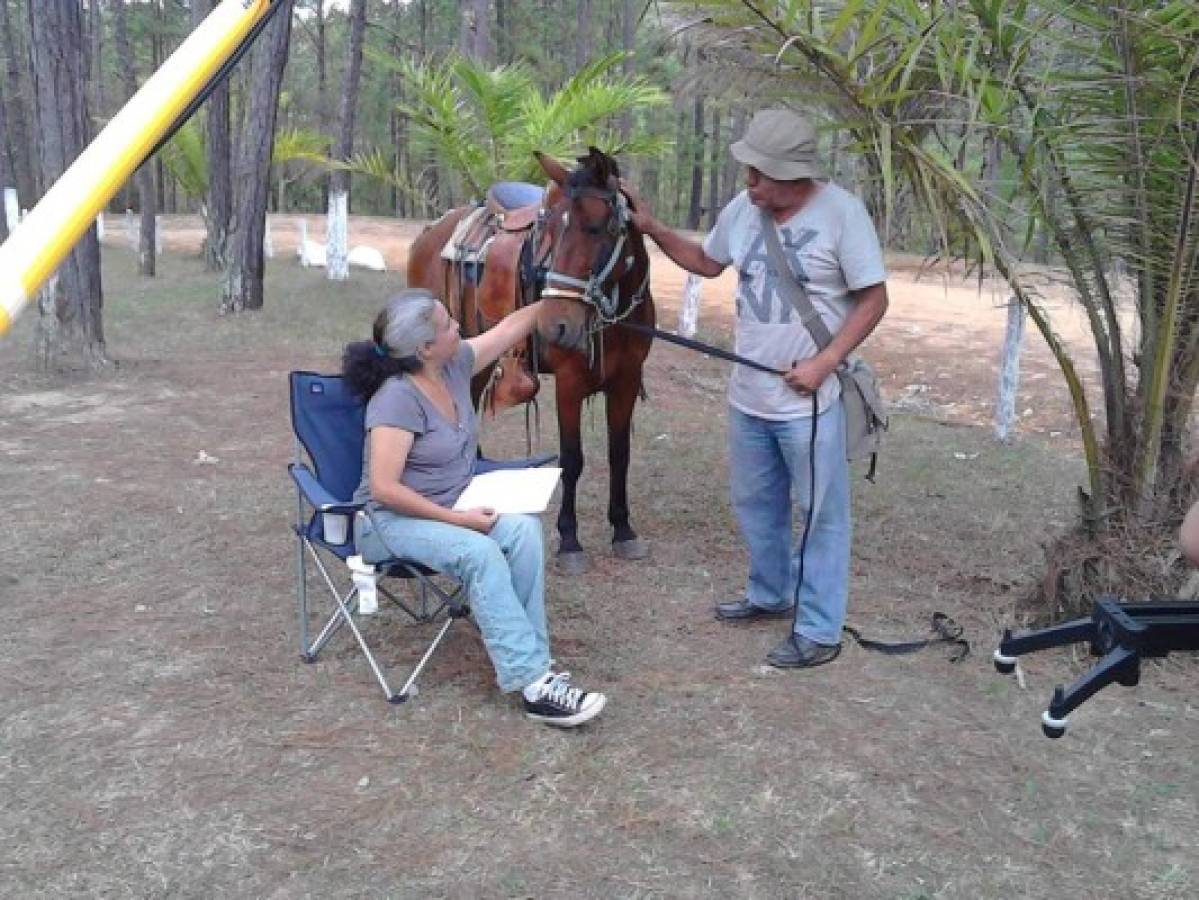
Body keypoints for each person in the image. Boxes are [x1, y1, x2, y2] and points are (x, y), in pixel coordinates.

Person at [629, 108, 889, 669]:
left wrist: (826, 362)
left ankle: (819, 630)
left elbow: (874, 299)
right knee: (756, 504)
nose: (747, 183)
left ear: (793, 176)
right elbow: (704, 260)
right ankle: (771, 594)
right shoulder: (744, 211)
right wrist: (652, 228)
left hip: (811, 403)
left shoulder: (843, 215)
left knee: (820, 513)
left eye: (758, 174)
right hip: (749, 396)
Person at [342, 288, 606, 727]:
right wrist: (458, 520)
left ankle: (537, 664)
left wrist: (560, 296)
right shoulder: (396, 399)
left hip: (453, 507)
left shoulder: (454, 364)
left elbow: (507, 330)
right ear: (425, 348)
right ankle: (532, 684)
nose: (459, 327)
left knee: (522, 531)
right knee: (478, 551)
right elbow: (384, 488)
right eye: (448, 325)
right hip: (387, 523)